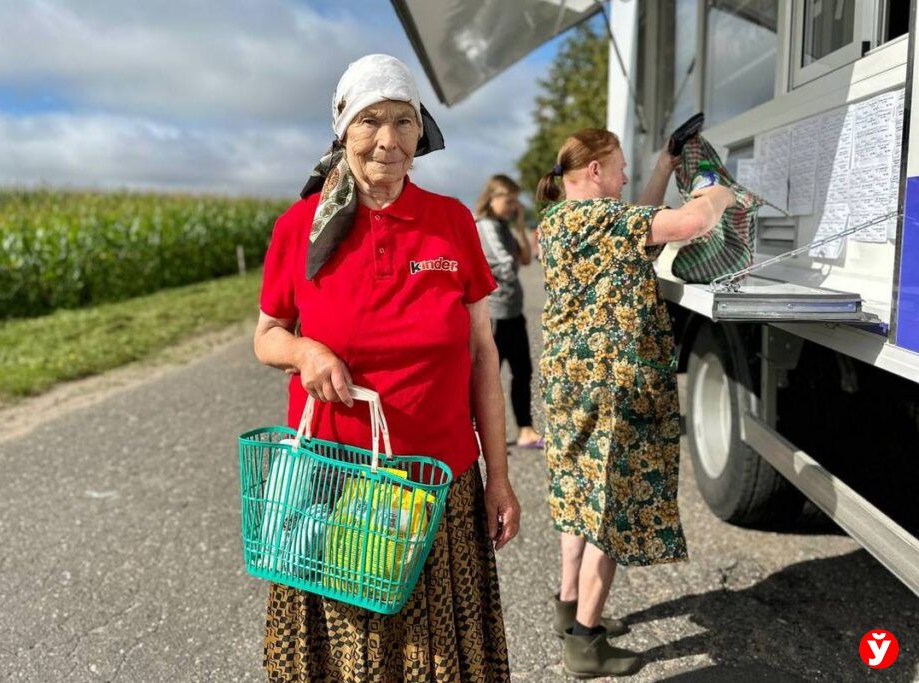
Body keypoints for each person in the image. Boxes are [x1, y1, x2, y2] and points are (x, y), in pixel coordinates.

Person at [253, 54, 520, 682]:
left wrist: (499, 478)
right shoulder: (300, 228)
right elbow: (267, 336)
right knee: (352, 656)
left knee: (440, 660)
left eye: (404, 121)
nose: (388, 140)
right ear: (342, 128)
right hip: (332, 485)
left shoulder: (452, 222)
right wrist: (306, 351)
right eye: (371, 120)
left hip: (436, 485)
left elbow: (483, 353)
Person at [535, 128, 734, 678]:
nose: (625, 177)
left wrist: (666, 165)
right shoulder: (608, 221)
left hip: (570, 383)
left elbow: (636, 219)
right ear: (594, 171)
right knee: (611, 507)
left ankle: (568, 605)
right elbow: (694, 223)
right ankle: (586, 642)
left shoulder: (557, 223)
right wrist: (721, 190)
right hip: (614, 387)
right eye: (620, 167)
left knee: (579, 495)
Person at [474, 175, 543, 450]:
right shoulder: (486, 225)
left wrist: (517, 225)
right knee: (487, 377)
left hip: (513, 312)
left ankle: (525, 430)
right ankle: (475, 434)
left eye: (516, 200)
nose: (513, 205)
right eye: (509, 200)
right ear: (492, 198)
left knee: (523, 371)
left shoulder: (503, 226)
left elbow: (525, 258)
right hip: (493, 315)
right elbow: (506, 266)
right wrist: (510, 262)